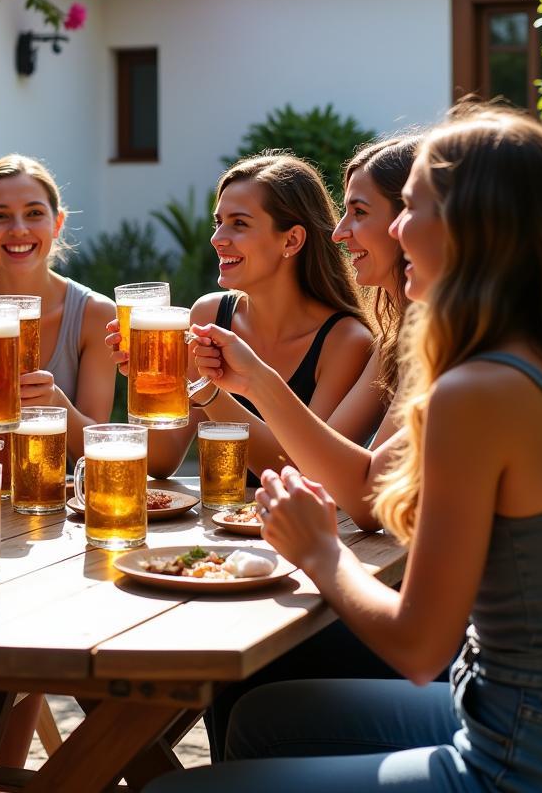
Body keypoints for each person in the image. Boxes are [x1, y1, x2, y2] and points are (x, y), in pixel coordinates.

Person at [151, 108, 542, 791]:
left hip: (525, 750)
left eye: (407, 206)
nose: (388, 230)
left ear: (474, 225)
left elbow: (418, 648)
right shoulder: (541, 355)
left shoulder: (479, 390)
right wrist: (256, 382)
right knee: (258, 720)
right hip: (533, 712)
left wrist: (321, 553)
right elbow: (368, 482)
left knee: (178, 787)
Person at [191, 135, 421, 758]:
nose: (340, 233)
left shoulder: (439, 351)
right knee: (240, 677)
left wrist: (236, 387)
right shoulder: (411, 338)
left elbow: (363, 494)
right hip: (468, 648)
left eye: (358, 213)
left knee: (247, 673)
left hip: (484, 677)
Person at [113, 152, 374, 479]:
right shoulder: (210, 314)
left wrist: (211, 394)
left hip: (307, 528)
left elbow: (303, 473)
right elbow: (160, 461)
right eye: (218, 222)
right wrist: (147, 376)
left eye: (239, 224)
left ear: (291, 239)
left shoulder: (345, 342)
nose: (217, 239)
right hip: (216, 527)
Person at [0, 153, 116, 462]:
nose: (18, 229)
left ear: (57, 223)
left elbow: (95, 454)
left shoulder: (94, 314)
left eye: (34, 213)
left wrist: (55, 402)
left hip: (63, 502)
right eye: (0, 216)